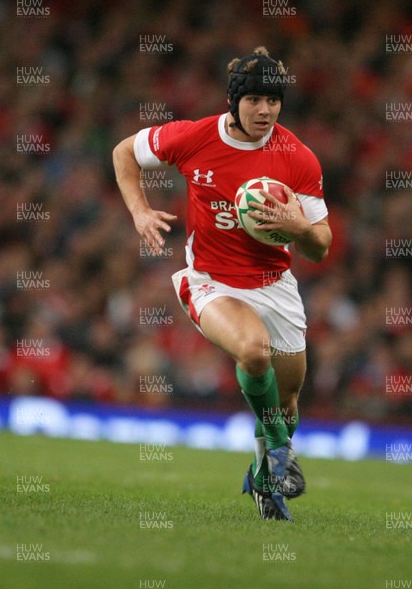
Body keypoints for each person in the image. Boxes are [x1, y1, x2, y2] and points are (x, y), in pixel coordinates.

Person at [113, 46, 332, 521]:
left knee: (288, 402)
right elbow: (124, 151)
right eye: (254, 100)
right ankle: (278, 455)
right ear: (234, 102)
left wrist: (296, 228)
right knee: (254, 352)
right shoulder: (194, 137)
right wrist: (138, 210)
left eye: (273, 101)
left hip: (276, 284)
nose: (265, 111)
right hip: (211, 280)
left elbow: (321, 246)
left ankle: (262, 477)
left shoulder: (297, 157)